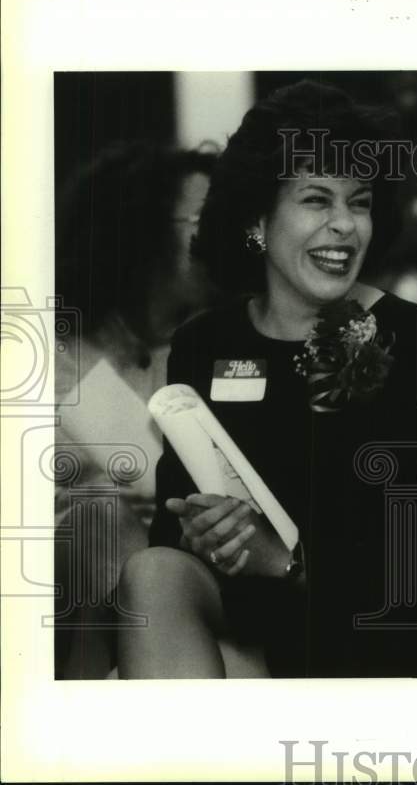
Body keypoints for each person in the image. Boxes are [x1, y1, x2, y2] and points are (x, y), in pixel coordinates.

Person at [117, 80, 417, 678]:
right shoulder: (204, 343)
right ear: (258, 217)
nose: (344, 225)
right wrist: (209, 533)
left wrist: (290, 561)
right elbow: (171, 528)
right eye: (317, 200)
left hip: (368, 638)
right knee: (153, 571)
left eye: (358, 202)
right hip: (237, 628)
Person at [53, 141, 217, 679]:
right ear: (143, 228)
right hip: (71, 601)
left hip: (197, 593)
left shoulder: (218, 348)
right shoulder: (56, 353)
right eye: (202, 218)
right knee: (97, 511)